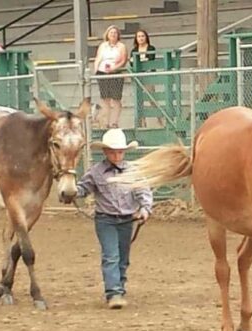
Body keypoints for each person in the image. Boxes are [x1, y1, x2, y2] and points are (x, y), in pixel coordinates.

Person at [76, 129, 153, 309]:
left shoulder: (133, 171)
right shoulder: (95, 172)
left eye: (119, 152)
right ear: (105, 152)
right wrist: (72, 191)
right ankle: (114, 293)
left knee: (123, 257)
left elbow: (143, 191)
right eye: (112, 152)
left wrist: (145, 208)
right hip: (105, 220)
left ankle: (119, 286)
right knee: (111, 255)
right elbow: (83, 189)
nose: (116, 155)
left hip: (127, 219)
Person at [92, 25, 127, 128]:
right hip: (102, 72)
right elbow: (98, 58)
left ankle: (114, 122)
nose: (113, 35)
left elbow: (123, 60)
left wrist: (114, 68)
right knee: (105, 98)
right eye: (111, 33)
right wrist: (96, 68)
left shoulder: (121, 46)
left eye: (115, 33)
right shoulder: (103, 45)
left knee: (116, 98)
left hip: (115, 73)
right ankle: (105, 122)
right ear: (107, 34)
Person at [130, 29, 163, 128]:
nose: (141, 38)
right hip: (138, 78)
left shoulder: (151, 48)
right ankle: (142, 123)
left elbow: (150, 59)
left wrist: (140, 60)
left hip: (149, 77)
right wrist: (141, 60)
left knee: (152, 99)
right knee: (139, 101)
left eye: (142, 36)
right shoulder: (134, 50)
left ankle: (160, 120)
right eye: (139, 36)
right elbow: (132, 62)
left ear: (146, 37)